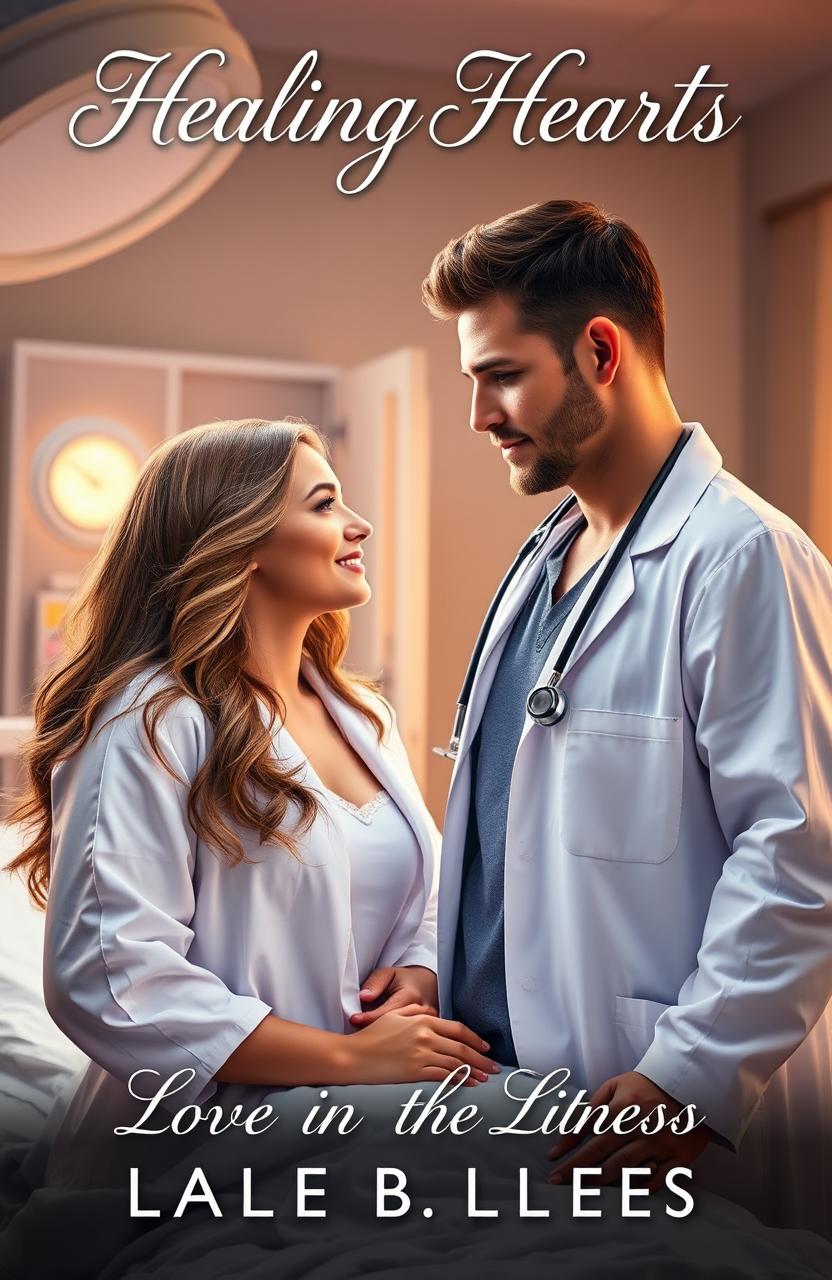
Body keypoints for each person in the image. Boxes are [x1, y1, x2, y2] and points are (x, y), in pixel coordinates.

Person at [421, 200, 832, 1234]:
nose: (478, 414)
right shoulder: (539, 560)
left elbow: (799, 847)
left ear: (598, 349)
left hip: (648, 1108)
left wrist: (689, 1074)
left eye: (501, 374)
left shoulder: (741, 554)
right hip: (512, 1108)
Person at [5, 418, 497, 1186]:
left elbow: (425, 894)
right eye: (326, 504)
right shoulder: (150, 722)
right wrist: (348, 1058)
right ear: (243, 538)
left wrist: (419, 973)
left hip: (363, 1112)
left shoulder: (361, 715)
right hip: (200, 1140)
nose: (358, 524)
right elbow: (110, 973)